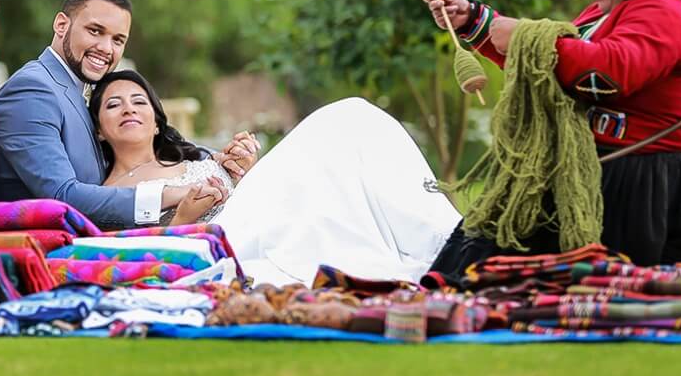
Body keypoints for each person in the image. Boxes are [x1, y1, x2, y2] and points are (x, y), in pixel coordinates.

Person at [423, 0, 681, 279]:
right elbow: (553, 67)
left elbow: (607, 73)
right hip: (594, 176)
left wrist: (521, 34)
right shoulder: (606, 12)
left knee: (557, 289)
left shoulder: (667, 14)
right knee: (482, 272)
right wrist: (473, 21)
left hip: (641, 194)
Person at [89, 69, 463, 286]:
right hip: (228, 235)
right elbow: (146, 254)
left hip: (263, 212)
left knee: (358, 123)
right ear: (100, 130)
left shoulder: (194, 158)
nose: (129, 109)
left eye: (139, 102)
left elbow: (253, 192)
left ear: (157, 122)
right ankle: (451, 244)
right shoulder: (109, 193)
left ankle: (445, 238)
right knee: (346, 116)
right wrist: (186, 215)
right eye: (114, 104)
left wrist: (247, 169)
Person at [0, 0, 256, 230]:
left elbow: (125, 151)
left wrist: (214, 157)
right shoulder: (31, 90)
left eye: (117, 40)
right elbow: (63, 196)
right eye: (95, 31)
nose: (106, 48)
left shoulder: (76, 88)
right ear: (61, 25)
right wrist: (169, 193)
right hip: (46, 251)